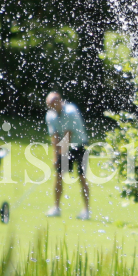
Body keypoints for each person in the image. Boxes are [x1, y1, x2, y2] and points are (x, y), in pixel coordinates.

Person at [45, 91, 91, 220]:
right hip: (65, 146)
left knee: (82, 177)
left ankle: (86, 210)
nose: (52, 107)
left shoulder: (70, 111)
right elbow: (55, 136)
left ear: (59, 101)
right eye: (50, 105)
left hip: (80, 145)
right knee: (59, 176)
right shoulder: (50, 116)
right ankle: (56, 208)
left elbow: (68, 134)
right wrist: (56, 157)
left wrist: (61, 153)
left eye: (54, 103)